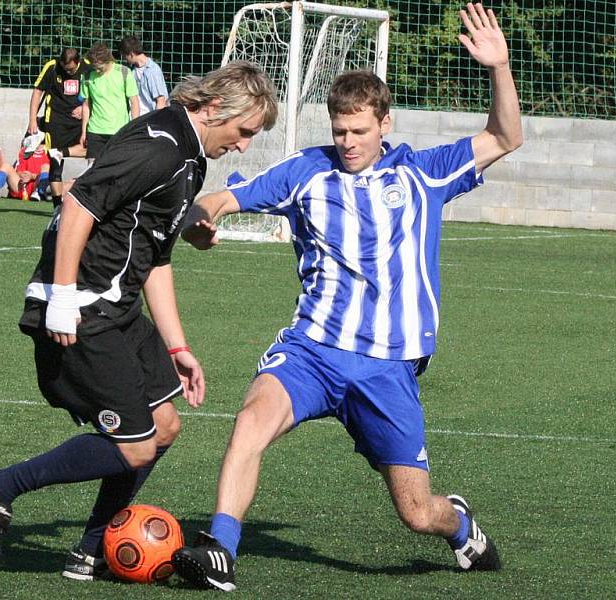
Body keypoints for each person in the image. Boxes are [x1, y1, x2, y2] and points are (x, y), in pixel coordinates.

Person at [173, 3, 523, 592]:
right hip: (313, 349)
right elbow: (216, 201)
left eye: (359, 131)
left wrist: (500, 67)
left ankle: (459, 523)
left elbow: (506, 135)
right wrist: (200, 223)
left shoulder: (422, 173)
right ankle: (220, 551)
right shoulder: (308, 171)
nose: (348, 142)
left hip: (388, 367)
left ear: (384, 125)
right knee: (249, 425)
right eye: (339, 131)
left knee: (416, 514)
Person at [0, 60, 279, 580]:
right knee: (135, 446)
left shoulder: (191, 157)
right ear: (215, 108)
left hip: (118, 305)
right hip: (82, 306)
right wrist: (62, 295)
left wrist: (177, 347)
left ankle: (90, 548)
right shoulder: (161, 145)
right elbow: (80, 204)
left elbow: (155, 258)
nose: (243, 145)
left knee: (166, 425)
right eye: (244, 132)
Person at [27, 48, 91, 207]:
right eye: (64, 68)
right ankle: (57, 207)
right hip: (55, 122)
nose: (67, 71)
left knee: (92, 152)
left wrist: (85, 109)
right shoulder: (52, 66)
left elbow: (97, 93)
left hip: (79, 124)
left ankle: (87, 200)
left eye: (70, 69)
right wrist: (32, 120)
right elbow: (37, 92)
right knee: (55, 166)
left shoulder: (88, 68)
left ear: (78, 62)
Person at [81, 42, 140, 162]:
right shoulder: (87, 76)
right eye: (94, 67)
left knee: (117, 170)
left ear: (107, 60)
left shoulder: (124, 72)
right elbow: (86, 105)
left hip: (119, 131)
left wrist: (134, 127)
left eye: (99, 67)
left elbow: (134, 102)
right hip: (95, 131)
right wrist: (83, 131)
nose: (96, 70)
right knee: (92, 171)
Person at [0, 133, 51, 201]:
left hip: (37, 186)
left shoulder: (49, 152)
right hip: (21, 186)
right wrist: (23, 175)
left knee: (46, 167)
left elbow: (50, 174)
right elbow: (18, 170)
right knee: (6, 166)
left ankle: (38, 193)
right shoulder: (25, 151)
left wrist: (31, 176)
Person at [120, 36, 170, 114]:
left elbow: (161, 101)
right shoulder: (132, 71)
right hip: (136, 118)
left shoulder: (152, 70)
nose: (124, 59)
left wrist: (155, 122)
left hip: (149, 118)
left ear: (131, 54)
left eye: (125, 56)